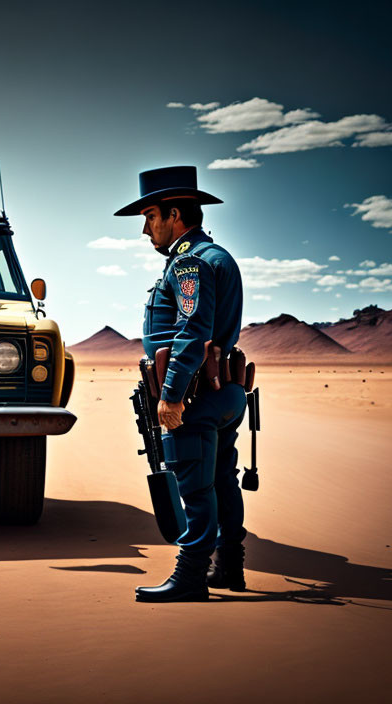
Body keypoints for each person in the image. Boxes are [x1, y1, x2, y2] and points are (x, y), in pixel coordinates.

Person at [114, 165, 248, 602]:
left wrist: (171, 395)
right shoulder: (216, 256)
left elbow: (192, 331)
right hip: (223, 393)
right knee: (222, 480)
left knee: (194, 485)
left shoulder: (189, 261)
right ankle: (229, 566)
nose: (145, 229)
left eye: (150, 216)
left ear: (174, 214)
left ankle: (191, 575)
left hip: (195, 397)